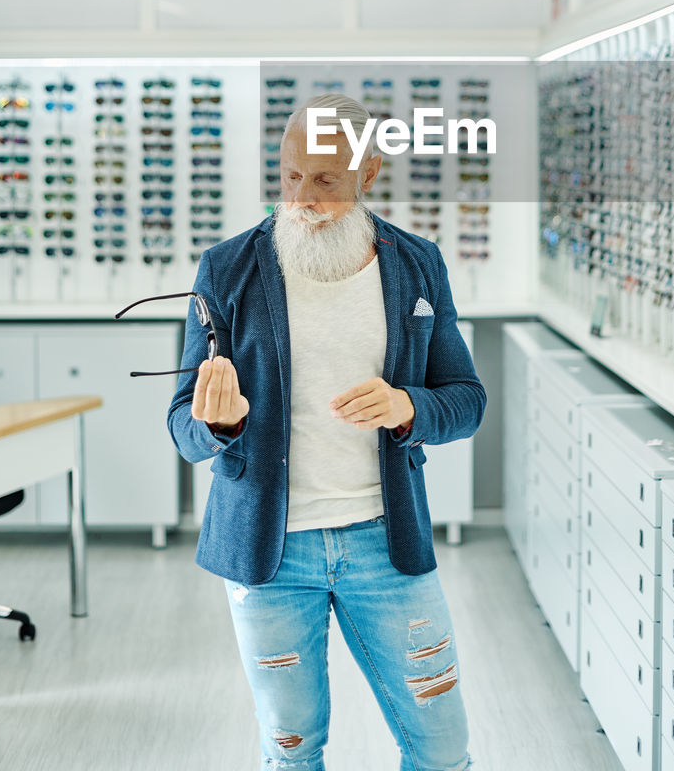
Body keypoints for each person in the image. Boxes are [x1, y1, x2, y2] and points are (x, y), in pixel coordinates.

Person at [167, 93, 486, 770]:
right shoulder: (226, 270)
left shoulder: (416, 265)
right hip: (269, 552)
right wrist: (217, 422)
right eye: (288, 176)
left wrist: (407, 407)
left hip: (385, 542)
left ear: (369, 173)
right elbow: (182, 429)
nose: (301, 197)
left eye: (325, 180)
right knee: (292, 750)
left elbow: (466, 401)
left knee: (443, 747)